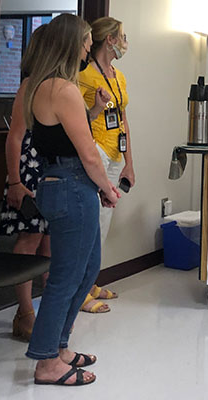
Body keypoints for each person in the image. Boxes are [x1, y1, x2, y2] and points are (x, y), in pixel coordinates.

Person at [24, 14, 120, 386]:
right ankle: (47, 361)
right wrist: (107, 189)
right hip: (71, 185)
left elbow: (64, 137)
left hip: (61, 183)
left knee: (86, 269)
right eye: (83, 41)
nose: (87, 48)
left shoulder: (43, 87)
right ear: (69, 44)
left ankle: (59, 346)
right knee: (66, 277)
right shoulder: (62, 89)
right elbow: (88, 154)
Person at [78, 16, 134, 313]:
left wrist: (129, 162)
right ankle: (82, 291)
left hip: (115, 154)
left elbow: (123, 120)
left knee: (103, 223)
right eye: (122, 36)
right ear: (110, 39)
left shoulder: (118, 76)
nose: (125, 41)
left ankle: (91, 281)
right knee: (91, 225)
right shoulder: (85, 76)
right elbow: (79, 116)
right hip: (95, 151)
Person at [0, 24, 50, 342]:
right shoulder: (29, 85)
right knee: (29, 241)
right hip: (27, 172)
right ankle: (24, 313)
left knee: (48, 244)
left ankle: (45, 310)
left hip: (48, 171)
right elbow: (15, 136)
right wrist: (15, 182)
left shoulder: (56, 85)